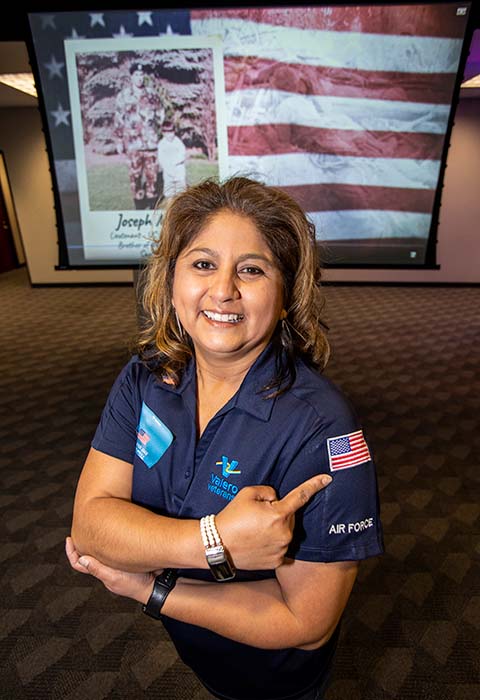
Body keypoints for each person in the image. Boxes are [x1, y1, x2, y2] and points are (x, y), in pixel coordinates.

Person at [66, 176, 384, 700]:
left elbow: (307, 622)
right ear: (171, 282)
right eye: (203, 263)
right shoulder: (147, 375)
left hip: (274, 674)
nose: (223, 290)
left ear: (285, 297)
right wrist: (216, 540)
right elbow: (91, 525)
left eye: (252, 270)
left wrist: (151, 586)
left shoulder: (324, 428)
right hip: (196, 648)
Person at [114, 62, 165, 210]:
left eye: (141, 75)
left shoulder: (152, 94)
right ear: (131, 77)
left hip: (150, 144)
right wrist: (118, 140)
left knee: (152, 178)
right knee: (135, 178)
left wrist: (154, 130)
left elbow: (160, 115)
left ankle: (151, 209)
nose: (139, 78)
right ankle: (139, 208)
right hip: (133, 145)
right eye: (136, 75)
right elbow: (118, 119)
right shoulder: (123, 96)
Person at [156, 120, 187, 200]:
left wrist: (174, 162)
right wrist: (168, 168)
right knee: (169, 193)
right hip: (168, 173)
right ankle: (170, 207)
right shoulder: (161, 144)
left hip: (179, 172)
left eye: (171, 132)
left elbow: (182, 154)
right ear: (163, 133)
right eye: (167, 133)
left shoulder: (178, 142)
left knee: (181, 192)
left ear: (174, 131)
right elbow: (161, 159)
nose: (169, 135)